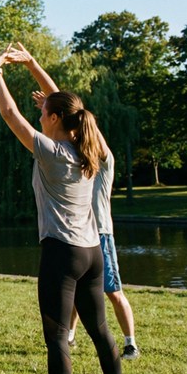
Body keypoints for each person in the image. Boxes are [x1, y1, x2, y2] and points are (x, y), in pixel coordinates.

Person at [0, 43, 130, 374]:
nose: (39, 114)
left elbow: (9, 114)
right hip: (91, 254)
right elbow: (68, 106)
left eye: (44, 113)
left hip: (61, 254)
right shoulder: (91, 151)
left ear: (53, 119)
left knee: (56, 338)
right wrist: (34, 64)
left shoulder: (52, 152)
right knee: (100, 331)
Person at [64, 147, 141, 360]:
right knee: (77, 292)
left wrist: (79, 115)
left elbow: (99, 142)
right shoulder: (77, 173)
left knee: (114, 292)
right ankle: (69, 337)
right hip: (80, 237)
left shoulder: (104, 168)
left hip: (102, 236)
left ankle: (130, 344)